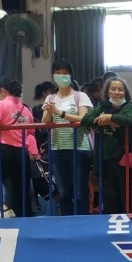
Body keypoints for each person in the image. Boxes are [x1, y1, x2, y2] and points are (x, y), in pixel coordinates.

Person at [0, 76, 39, 217]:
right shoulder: (26, 109)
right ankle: (26, 224)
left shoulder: (1, 104)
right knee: (22, 194)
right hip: (22, 154)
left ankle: (2, 207)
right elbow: (31, 133)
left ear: (3, 90)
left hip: (5, 152)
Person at [79, 77, 132, 215]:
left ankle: (128, 223)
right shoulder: (102, 107)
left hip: (125, 159)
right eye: (113, 89)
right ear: (107, 92)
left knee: (126, 196)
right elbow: (85, 120)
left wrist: (110, 118)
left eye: (120, 89)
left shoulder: (129, 107)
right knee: (109, 196)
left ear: (125, 92)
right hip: (106, 159)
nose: (117, 92)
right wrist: (102, 121)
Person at [40, 60, 94, 215]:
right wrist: (49, 110)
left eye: (65, 73)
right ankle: (67, 223)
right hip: (57, 149)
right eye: (58, 73)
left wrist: (59, 113)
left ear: (71, 75)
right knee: (63, 192)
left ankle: (83, 222)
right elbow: (45, 121)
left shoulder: (80, 96)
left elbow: (82, 118)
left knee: (80, 192)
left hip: (79, 149)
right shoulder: (50, 98)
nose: (61, 76)